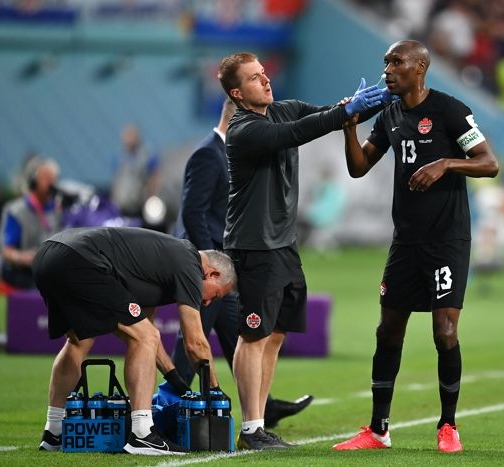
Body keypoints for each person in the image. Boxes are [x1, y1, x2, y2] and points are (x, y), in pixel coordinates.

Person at [332, 40, 499, 453]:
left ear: (420, 67)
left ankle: (448, 425)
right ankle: (378, 429)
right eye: (385, 62)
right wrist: (349, 127)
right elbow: (358, 167)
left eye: (396, 62)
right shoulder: (389, 114)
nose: (387, 70)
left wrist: (445, 163)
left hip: (447, 240)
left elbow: (488, 162)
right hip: (405, 241)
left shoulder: (450, 110)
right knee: (388, 331)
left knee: (444, 332)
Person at [218, 51, 386, 449]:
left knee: (275, 334)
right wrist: (345, 111)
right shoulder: (244, 130)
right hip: (254, 245)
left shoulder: (282, 109)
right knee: (254, 334)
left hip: (283, 244)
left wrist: (377, 101)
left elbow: (334, 114)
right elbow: (303, 131)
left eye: (264, 73)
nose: (266, 80)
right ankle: (250, 429)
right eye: (256, 78)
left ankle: (258, 424)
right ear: (238, 94)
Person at [170, 98, 313, 428]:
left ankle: (264, 409)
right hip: (210, 268)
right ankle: (170, 402)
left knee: (244, 336)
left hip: (230, 268)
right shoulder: (208, 153)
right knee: (193, 342)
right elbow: (193, 212)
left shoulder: (232, 150)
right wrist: (210, 265)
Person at [33, 226, 236, 456]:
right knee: (145, 338)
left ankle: (54, 431)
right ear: (212, 274)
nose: (208, 303)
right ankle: (142, 434)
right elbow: (195, 343)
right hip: (82, 259)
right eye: (216, 295)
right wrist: (214, 390)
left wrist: (175, 380)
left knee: (79, 341)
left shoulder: (155, 268)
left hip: (48, 256)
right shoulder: (190, 263)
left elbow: (145, 332)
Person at [0, 157, 61, 292]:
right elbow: (6, 251)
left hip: (45, 268)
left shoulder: (57, 210)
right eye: (46, 178)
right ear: (33, 181)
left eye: (53, 179)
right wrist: (21, 257)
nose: (51, 183)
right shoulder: (17, 211)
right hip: (19, 270)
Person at [110, 123, 161, 221]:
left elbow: (154, 177)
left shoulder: (147, 155)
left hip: (140, 205)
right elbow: (116, 180)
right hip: (122, 205)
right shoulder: (119, 156)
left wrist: (152, 197)